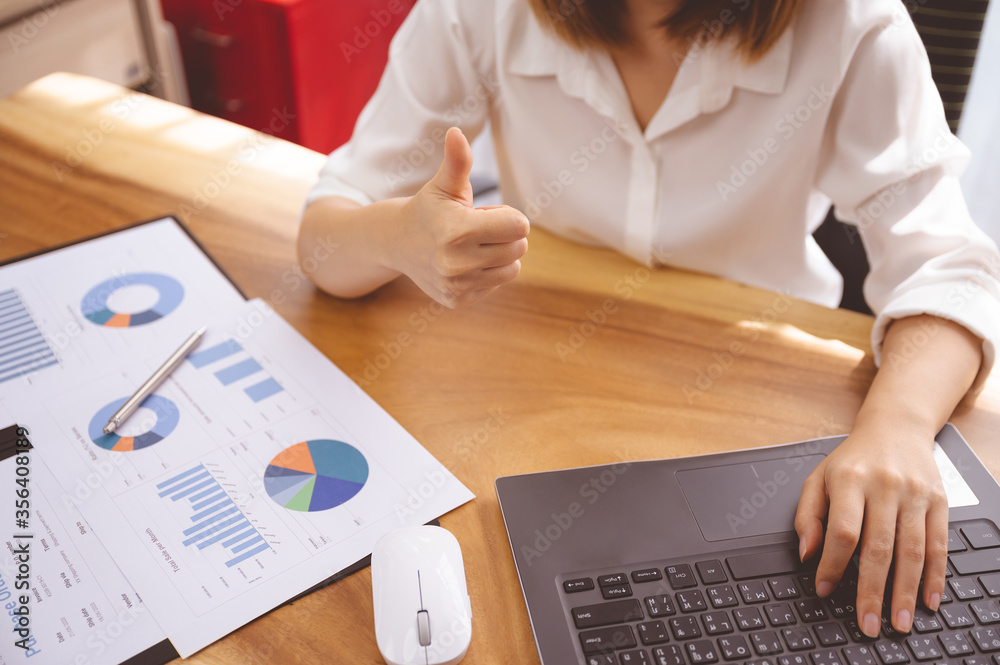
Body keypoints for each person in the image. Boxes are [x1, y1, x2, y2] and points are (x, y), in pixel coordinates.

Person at [298, 0, 1000, 640]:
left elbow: (953, 271)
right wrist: (400, 237)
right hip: (543, 389)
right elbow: (325, 238)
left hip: (766, 413)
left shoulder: (853, 25)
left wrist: (901, 426)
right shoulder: (479, 13)